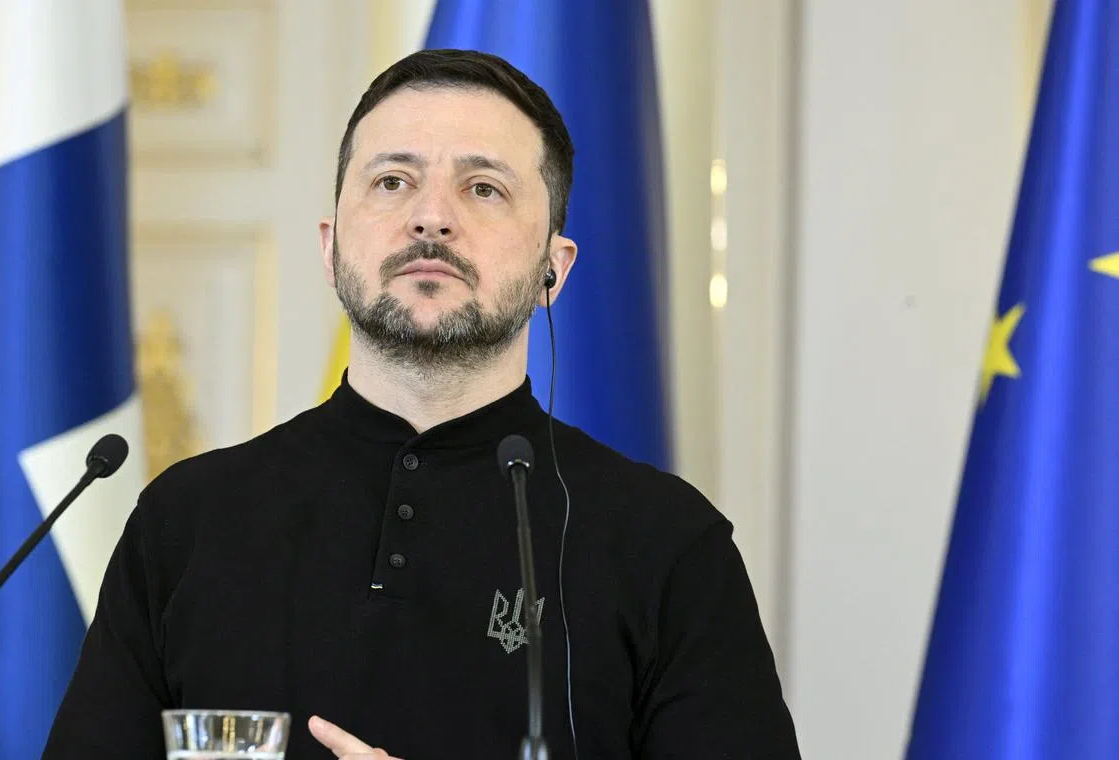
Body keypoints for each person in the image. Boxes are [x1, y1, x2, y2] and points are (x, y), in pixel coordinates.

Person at [42, 49, 800, 759]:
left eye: (483, 188)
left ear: (553, 269)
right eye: (393, 181)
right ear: (332, 246)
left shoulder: (670, 546)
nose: (431, 217)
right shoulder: (184, 521)